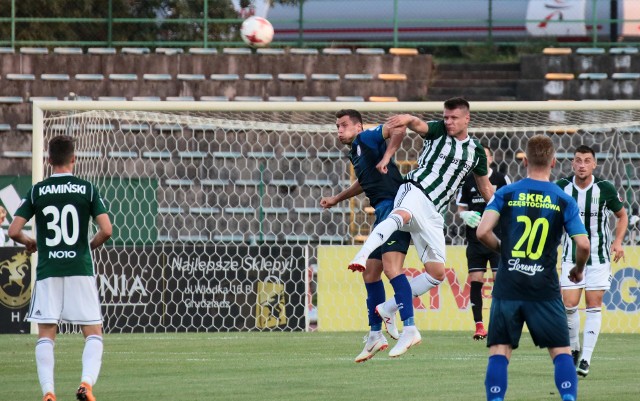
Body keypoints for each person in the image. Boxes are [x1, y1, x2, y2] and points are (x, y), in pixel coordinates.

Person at [348, 97, 495, 355]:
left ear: (466, 119)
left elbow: (485, 189)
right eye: (446, 117)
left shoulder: (476, 151)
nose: (448, 122)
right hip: (415, 190)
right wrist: (406, 118)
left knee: (437, 274)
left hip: (435, 213)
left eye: (453, 118)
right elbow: (416, 123)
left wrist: (501, 210)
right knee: (400, 215)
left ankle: (388, 308)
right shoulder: (438, 131)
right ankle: (361, 256)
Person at [476, 134, 590, 401]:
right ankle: (568, 398)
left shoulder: (506, 192)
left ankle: (495, 398)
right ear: (554, 162)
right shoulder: (563, 200)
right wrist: (578, 268)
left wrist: (504, 250)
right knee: (561, 351)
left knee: (500, 351)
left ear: (525, 160)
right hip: (544, 288)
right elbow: (583, 245)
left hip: (508, 285)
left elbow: (483, 232)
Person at [9, 135, 112, 401]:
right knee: (93, 332)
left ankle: (49, 393)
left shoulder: (37, 191)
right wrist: (88, 246)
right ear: (74, 159)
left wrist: (31, 242)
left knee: (46, 332)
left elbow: (13, 231)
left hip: (48, 269)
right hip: (80, 267)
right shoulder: (86, 189)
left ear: (49, 160)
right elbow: (107, 230)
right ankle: (86, 384)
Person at [320, 109, 414, 361]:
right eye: (337, 126)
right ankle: (375, 335)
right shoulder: (356, 150)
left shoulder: (367, 138)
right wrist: (337, 198)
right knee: (371, 273)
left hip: (395, 208)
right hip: (382, 211)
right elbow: (364, 181)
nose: (339, 130)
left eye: (344, 125)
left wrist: (388, 156)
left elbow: (399, 129)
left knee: (392, 269)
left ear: (358, 127)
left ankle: (410, 327)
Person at [556, 145, 628, 377]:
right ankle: (575, 348)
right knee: (568, 306)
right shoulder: (562, 188)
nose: (582, 165)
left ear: (594, 164)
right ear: (572, 163)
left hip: (598, 258)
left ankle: (585, 358)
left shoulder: (604, 189)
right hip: (570, 255)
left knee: (594, 306)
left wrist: (617, 241)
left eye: (587, 161)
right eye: (578, 160)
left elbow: (622, 215)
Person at [456, 146, 510, 340]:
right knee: (476, 280)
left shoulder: (501, 179)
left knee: (500, 280)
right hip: (475, 239)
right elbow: (461, 208)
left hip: (497, 238)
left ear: (491, 158)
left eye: (485, 156)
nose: (482, 160)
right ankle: (479, 326)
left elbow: (510, 206)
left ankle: (499, 323)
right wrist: (465, 215)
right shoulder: (467, 181)